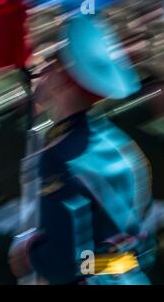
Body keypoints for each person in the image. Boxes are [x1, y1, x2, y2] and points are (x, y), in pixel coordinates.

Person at [9, 15, 157, 285]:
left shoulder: (58, 156)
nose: (44, 72)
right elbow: (133, 243)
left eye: (51, 65)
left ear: (63, 82)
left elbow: (65, 263)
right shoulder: (119, 142)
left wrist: (29, 253)